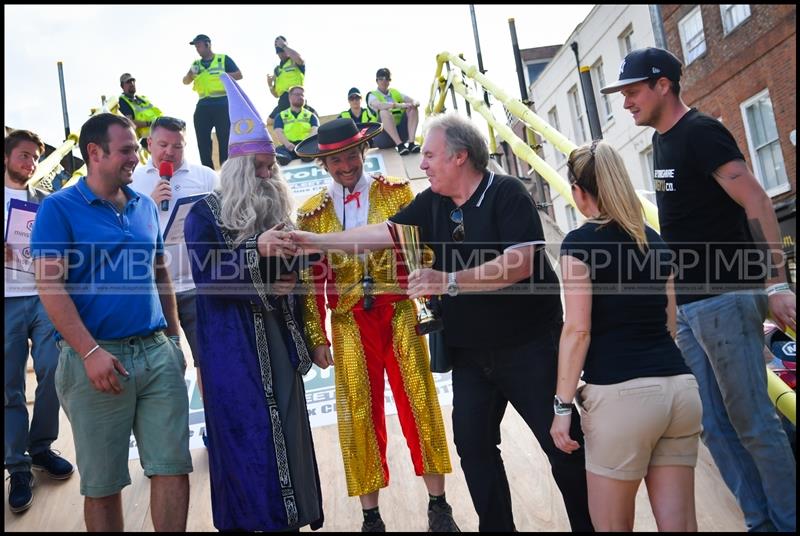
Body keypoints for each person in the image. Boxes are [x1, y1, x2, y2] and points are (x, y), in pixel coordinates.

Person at [293, 113, 593, 532]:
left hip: (527, 349)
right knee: (473, 448)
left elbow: (519, 264)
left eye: (430, 155)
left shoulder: (507, 192)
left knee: (561, 447)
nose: (421, 164)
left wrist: (447, 281)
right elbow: (382, 234)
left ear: (459, 157)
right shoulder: (430, 202)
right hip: (470, 353)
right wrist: (312, 241)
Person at [601, 47, 796, 532]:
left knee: (753, 423)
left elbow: (755, 197)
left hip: (727, 297)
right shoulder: (663, 143)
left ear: (663, 84)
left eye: (632, 91)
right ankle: (761, 523)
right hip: (690, 307)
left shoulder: (700, 132)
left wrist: (776, 281)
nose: (626, 102)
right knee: (713, 427)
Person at [294, 118, 459, 533]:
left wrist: (433, 305)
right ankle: (371, 515)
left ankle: (439, 505)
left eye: (351, 155)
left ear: (363, 152)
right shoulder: (311, 214)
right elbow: (310, 281)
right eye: (335, 159)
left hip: (400, 310)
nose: (345, 165)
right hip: (349, 321)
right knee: (357, 416)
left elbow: (424, 255)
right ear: (324, 164)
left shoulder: (398, 192)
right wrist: (317, 337)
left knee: (420, 403)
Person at [30, 113, 192, 532]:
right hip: (96, 362)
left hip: (157, 354)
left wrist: (174, 341)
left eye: (136, 150)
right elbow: (51, 288)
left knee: (173, 467)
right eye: (126, 151)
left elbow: (160, 273)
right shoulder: (58, 208)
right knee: (103, 485)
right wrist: (90, 351)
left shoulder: (143, 206)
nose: (135, 159)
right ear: (94, 153)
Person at [183, 73, 323, 532]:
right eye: (260, 168)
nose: (268, 176)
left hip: (279, 341)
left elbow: (296, 276)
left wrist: (291, 277)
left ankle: (291, 518)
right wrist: (255, 250)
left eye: (271, 168)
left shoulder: (278, 211)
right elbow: (209, 283)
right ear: (241, 170)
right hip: (232, 353)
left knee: (287, 428)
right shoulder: (203, 214)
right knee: (248, 439)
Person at [550, 139, 702, 531]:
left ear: (579, 192)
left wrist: (562, 408)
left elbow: (578, 330)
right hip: (679, 391)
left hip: (622, 398)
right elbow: (670, 325)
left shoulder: (579, 244)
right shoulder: (655, 241)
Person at [5, 130, 74, 514]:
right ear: (6, 158)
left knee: (53, 371)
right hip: (5, 303)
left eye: (35, 158)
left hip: (44, 297)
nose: (30, 163)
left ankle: (41, 448)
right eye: (24, 156)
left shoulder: (45, 203)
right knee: (9, 386)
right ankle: (16, 467)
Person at [130, 115, 219, 393]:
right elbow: (122, 234)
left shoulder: (204, 176)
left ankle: (214, 427)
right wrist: (149, 206)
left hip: (197, 285)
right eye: (163, 144)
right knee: (165, 366)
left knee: (211, 361)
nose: (169, 152)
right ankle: (172, 429)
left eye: (177, 146)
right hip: (154, 290)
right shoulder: (132, 181)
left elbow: (226, 221)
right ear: (149, 144)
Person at [182, 33, 242, 169]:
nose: (197, 48)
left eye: (199, 45)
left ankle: (226, 170)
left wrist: (222, 76)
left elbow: (239, 75)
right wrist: (190, 74)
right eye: (195, 46)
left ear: (207, 44)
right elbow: (185, 81)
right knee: (203, 140)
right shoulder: (195, 64)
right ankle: (208, 171)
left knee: (224, 139)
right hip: (203, 104)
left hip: (222, 103)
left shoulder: (223, 59)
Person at [367, 68, 420, 155]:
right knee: (384, 111)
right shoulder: (372, 95)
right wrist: (398, 105)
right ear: (377, 81)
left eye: (387, 78)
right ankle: (400, 146)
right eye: (381, 78)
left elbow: (412, 101)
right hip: (383, 137)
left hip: (401, 133)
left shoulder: (395, 93)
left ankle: (411, 144)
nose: (384, 80)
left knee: (413, 108)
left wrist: (415, 103)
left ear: (389, 81)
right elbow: (379, 105)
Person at [273, 85, 319, 166]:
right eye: (297, 94)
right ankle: (283, 158)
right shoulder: (281, 115)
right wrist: (287, 144)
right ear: (290, 97)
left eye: (302, 95)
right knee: (279, 151)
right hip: (288, 147)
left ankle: (308, 156)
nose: (300, 97)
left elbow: (315, 130)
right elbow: (278, 131)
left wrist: (306, 144)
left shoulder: (311, 115)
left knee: (315, 148)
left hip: (305, 145)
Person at [117, 73, 163, 151]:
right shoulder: (123, 101)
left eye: (132, 81)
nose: (132, 84)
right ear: (122, 86)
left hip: (160, 132)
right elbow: (129, 123)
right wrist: (149, 123)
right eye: (128, 82)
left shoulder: (142, 99)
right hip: (146, 140)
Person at [267, 35, 305, 124]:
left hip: (295, 95)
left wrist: (284, 46)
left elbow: (300, 60)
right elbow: (276, 94)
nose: (281, 53)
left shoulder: (294, 61)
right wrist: (270, 85)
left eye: (282, 51)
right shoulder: (277, 69)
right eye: (278, 51)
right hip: (283, 100)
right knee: (269, 121)